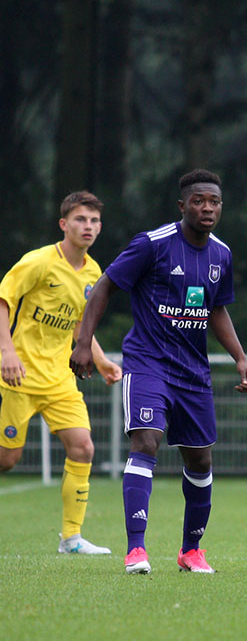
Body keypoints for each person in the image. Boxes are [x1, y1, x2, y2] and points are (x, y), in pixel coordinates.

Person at [69, 169, 247, 575]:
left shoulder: (221, 254)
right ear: (182, 205)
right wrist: (84, 343)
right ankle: (136, 550)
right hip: (148, 363)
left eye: (214, 202)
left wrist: (239, 357)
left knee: (201, 462)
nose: (207, 207)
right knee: (147, 442)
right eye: (199, 200)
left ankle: (191, 552)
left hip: (194, 373)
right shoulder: (152, 245)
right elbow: (104, 286)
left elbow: (216, 308)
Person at [0, 191, 122, 555]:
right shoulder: (38, 262)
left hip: (59, 379)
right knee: (7, 459)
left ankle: (71, 538)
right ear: (64, 224)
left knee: (83, 446)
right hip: (16, 375)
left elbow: (79, 326)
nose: (88, 226)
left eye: (94, 221)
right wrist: (6, 351)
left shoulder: (93, 272)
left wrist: (99, 360)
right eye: (81, 219)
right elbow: (2, 301)